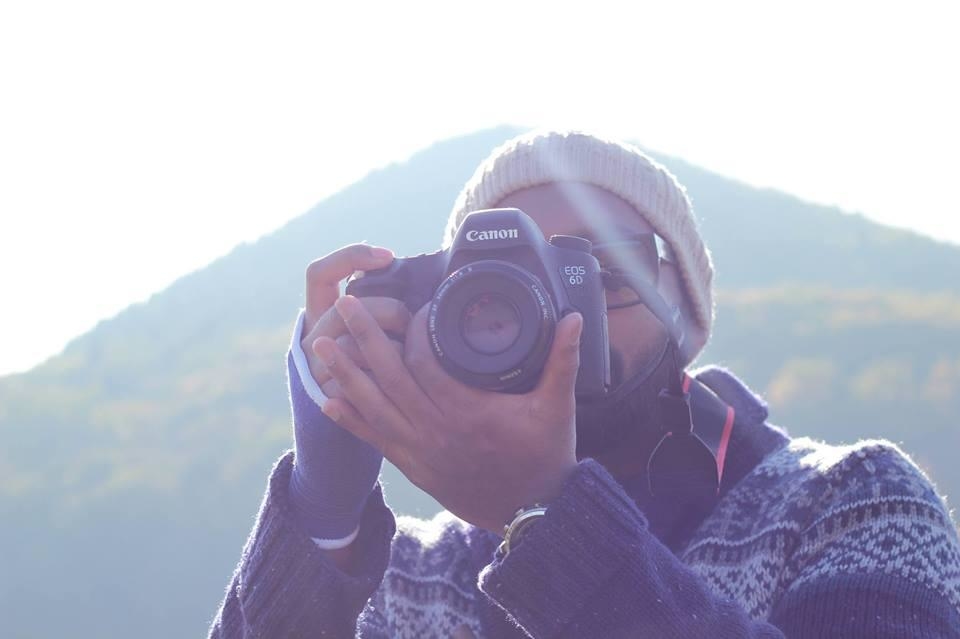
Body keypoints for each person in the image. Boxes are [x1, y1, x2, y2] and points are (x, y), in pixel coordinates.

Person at [208, 130, 960, 638]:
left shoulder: (852, 501)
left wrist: (544, 515)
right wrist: (324, 516)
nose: (569, 315)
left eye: (604, 271)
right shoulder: (407, 579)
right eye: (506, 291)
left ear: (685, 307)